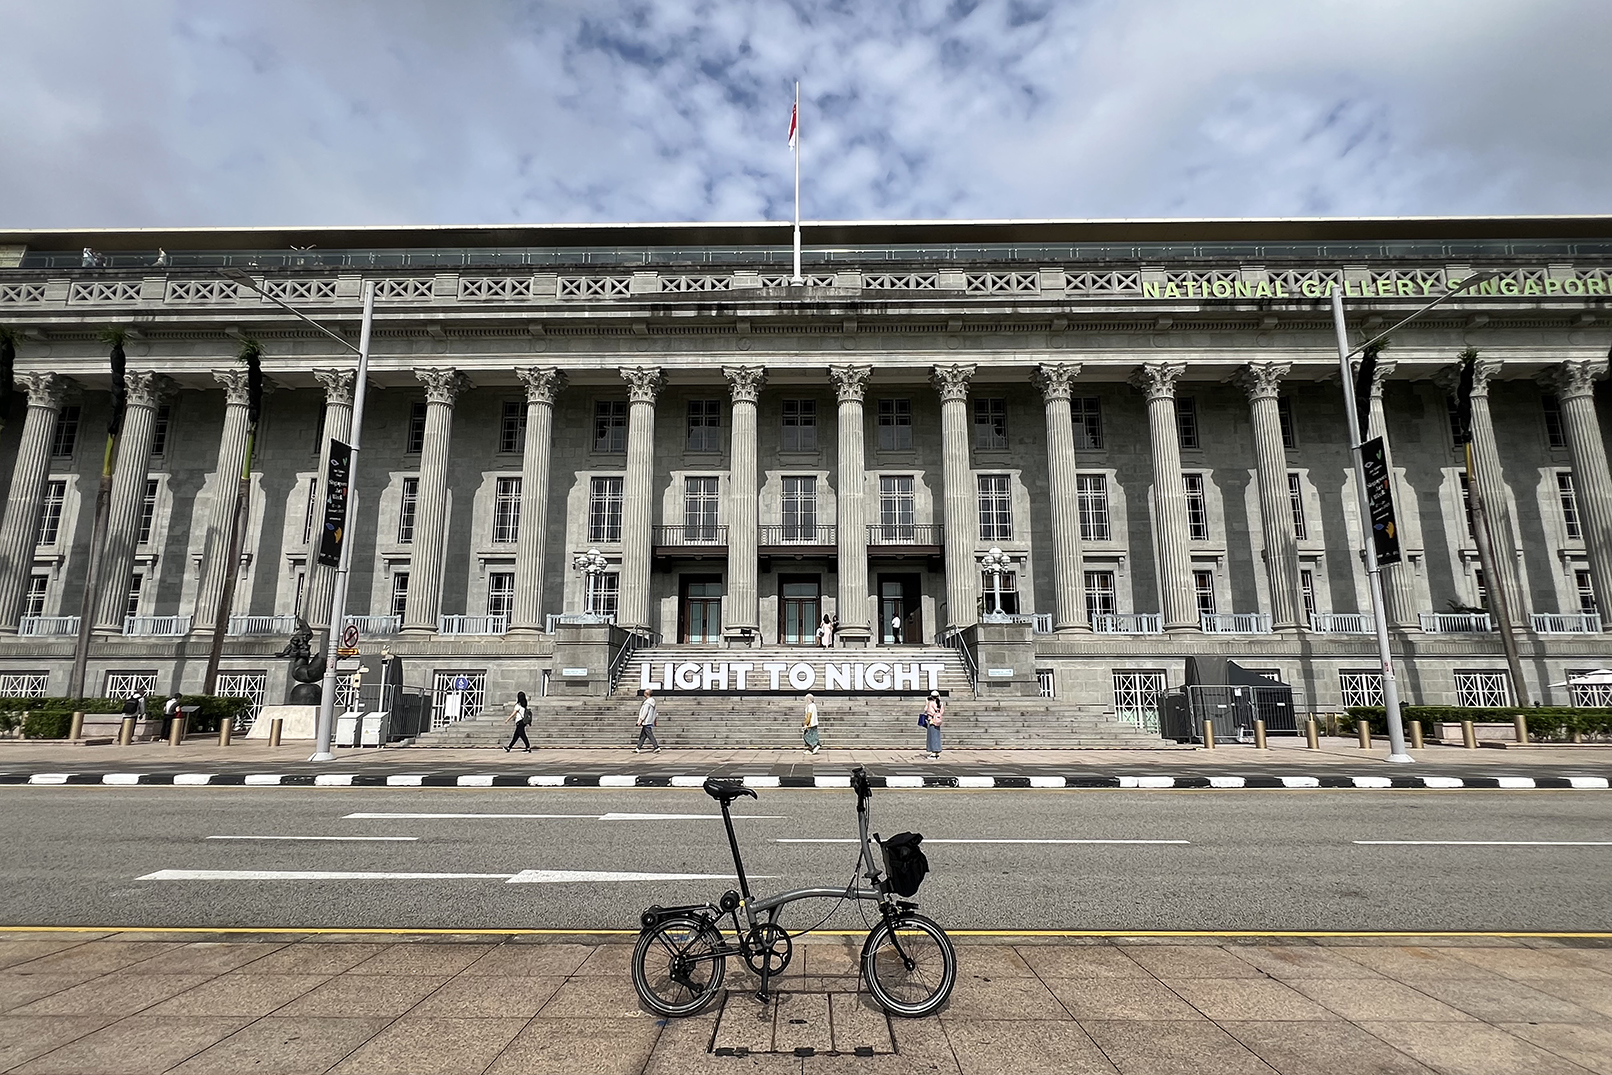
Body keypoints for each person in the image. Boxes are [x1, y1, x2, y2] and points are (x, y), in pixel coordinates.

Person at [634, 688, 661, 753]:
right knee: (643, 735)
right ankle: (638, 748)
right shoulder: (653, 702)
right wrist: (654, 720)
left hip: (646, 721)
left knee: (649, 734)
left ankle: (656, 747)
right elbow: (655, 713)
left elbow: (644, 712)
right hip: (650, 720)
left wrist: (640, 720)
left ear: (646, 694)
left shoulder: (647, 703)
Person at [922, 690, 944, 759]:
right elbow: (942, 711)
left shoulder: (931, 703)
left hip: (931, 720)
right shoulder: (941, 703)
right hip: (938, 720)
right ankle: (937, 751)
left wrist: (926, 703)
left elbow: (927, 710)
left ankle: (934, 752)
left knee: (932, 736)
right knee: (937, 736)